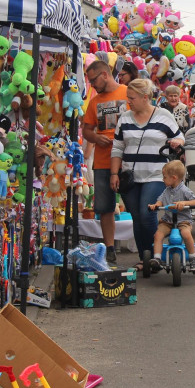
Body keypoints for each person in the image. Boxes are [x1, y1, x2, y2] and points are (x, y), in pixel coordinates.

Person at [111, 79, 185, 265]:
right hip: (130, 176)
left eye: (132, 98)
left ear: (146, 97)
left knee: (146, 212)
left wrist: (177, 143)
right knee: (137, 217)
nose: (129, 102)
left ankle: (155, 255)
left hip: (156, 174)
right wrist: (114, 173)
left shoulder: (163, 115)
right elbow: (117, 148)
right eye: (128, 98)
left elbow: (179, 137)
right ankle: (144, 257)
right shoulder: (125, 117)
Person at [81, 60, 129, 265]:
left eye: (93, 80)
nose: (91, 85)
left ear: (104, 75)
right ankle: (110, 248)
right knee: (105, 207)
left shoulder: (128, 92)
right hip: (102, 160)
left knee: (133, 202)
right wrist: (95, 138)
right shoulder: (94, 102)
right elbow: (86, 130)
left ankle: (145, 248)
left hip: (128, 158)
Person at [147, 160, 195, 272]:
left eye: (165, 177)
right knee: (158, 234)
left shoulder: (185, 190)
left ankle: (193, 258)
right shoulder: (166, 190)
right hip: (168, 221)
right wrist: (155, 205)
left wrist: (184, 203)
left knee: (186, 233)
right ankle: (157, 258)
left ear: (174, 178)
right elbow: (160, 201)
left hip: (183, 221)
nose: (163, 179)